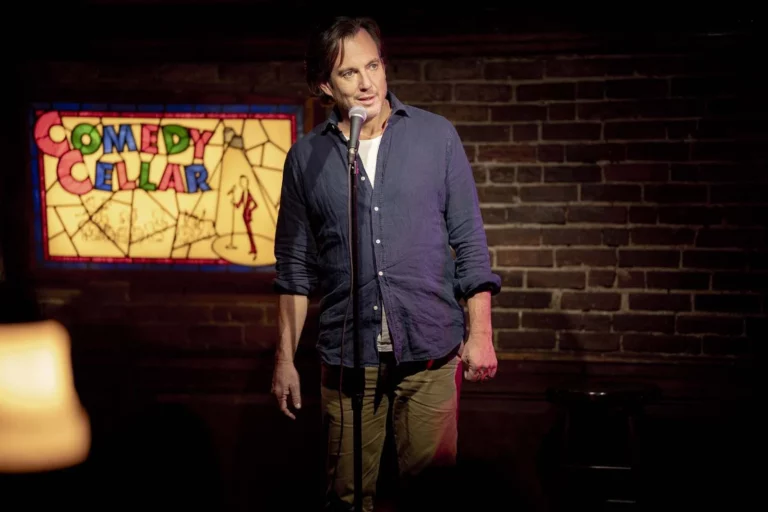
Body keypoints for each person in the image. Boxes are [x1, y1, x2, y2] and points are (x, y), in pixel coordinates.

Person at [271, 15, 501, 511]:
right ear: (324, 85)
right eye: (349, 72)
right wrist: (285, 360)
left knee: (433, 496)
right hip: (348, 358)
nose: (367, 82)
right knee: (346, 496)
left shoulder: (435, 137)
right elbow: (293, 267)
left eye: (373, 65)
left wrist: (480, 333)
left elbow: (469, 241)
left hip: (430, 351)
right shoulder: (306, 158)